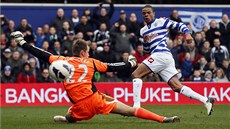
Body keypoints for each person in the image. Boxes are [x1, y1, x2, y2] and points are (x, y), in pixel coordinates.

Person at [11, 31, 180, 124]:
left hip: (81, 106)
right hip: (94, 100)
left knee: (72, 114)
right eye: (88, 51)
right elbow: (113, 67)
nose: (89, 53)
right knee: (129, 111)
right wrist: (131, 63)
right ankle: (163, 119)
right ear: (84, 52)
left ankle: (69, 118)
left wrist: (22, 43)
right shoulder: (91, 62)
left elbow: (41, 54)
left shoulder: (61, 60)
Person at [132, 5, 214, 116]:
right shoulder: (143, 31)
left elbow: (179, 25)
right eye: (144, 13)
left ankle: (136, 107)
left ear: (153, 13)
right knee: (176, 86)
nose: (146, 15)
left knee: (136, 74)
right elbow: (147, 50)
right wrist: (145, 42)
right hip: (162, 58)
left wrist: (188, 35)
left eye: (148, 12)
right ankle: (205, 100)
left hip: (161, 55)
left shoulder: (161, 21)